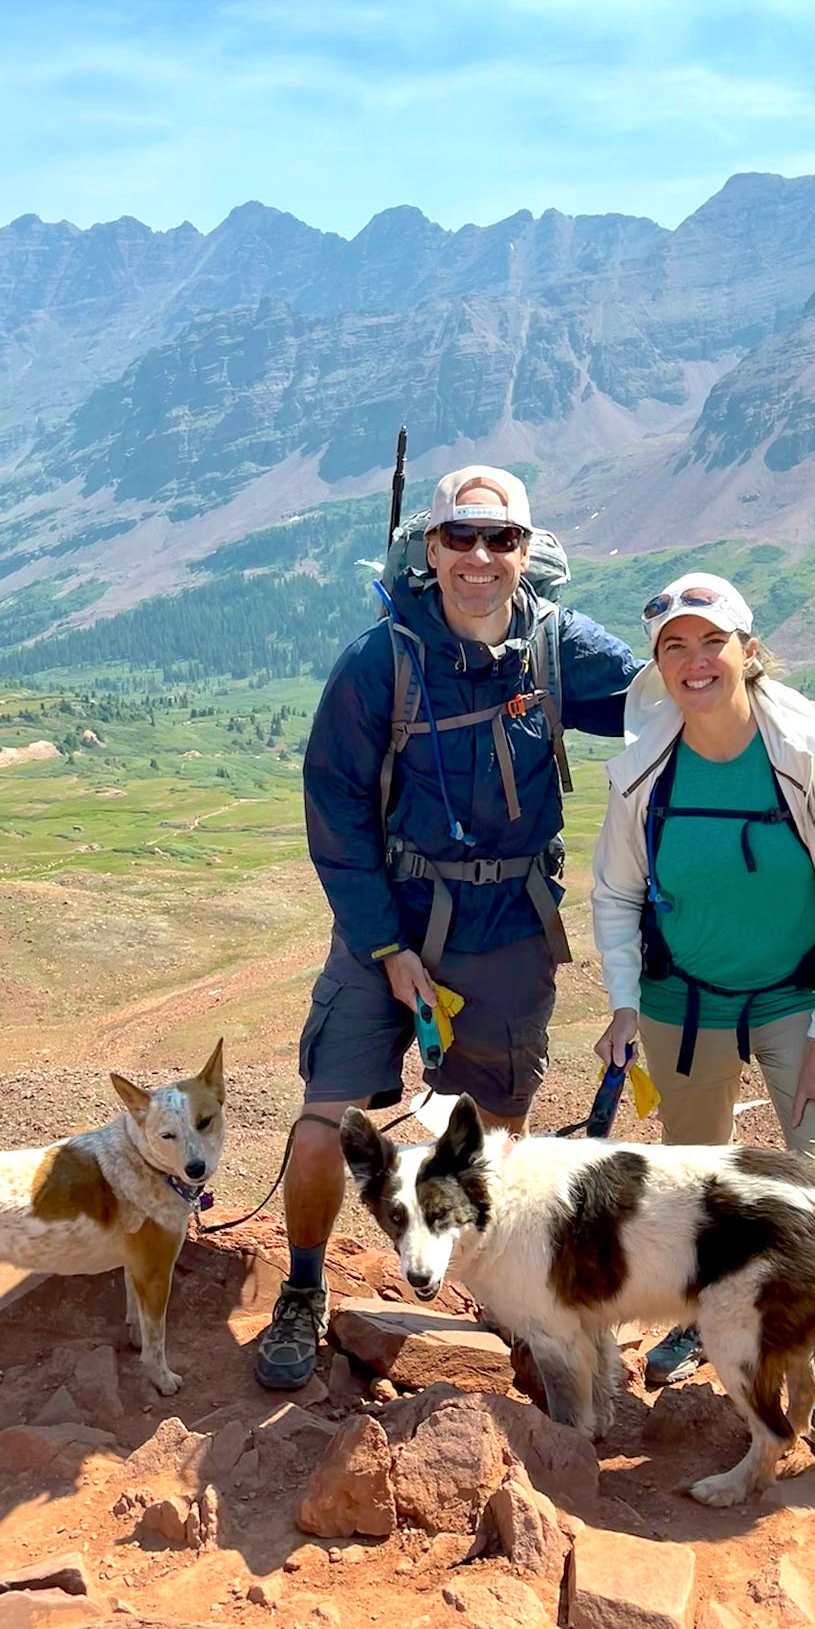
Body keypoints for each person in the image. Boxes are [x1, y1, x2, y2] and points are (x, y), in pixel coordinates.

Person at [255, 466, 640, 1390]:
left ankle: (506, 1297)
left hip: (508, 925)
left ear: (524, 551)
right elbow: (336, 811)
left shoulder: (555, 648)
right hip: (385, 917)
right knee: (325, 1126)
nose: (478, 556)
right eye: (459, 537)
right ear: (430, 550)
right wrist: (385, 948)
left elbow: (670, 691)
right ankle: (303, 1291)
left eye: (499, 539)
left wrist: (777, 709)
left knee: (493, 1137)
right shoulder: (379, 661)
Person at [590, 572, 815, 1458]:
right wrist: (618, 1004)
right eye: (674, 647)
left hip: (799, 997)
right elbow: (615, 893)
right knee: (694, 1191)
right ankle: (711, 1322)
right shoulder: (644, 763)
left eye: (711, 642)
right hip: (682, 1002)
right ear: (657, 664)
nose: (694, 661)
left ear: (748, 652)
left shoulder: (810, 749)